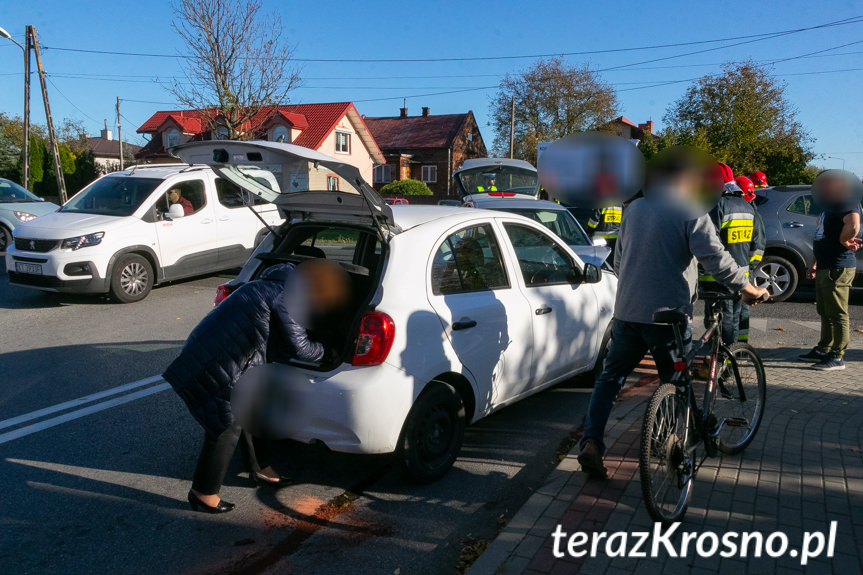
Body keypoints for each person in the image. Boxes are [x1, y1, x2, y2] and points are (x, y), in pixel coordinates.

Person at [577, 148, 769, 479]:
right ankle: (672, 440)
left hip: (627, 312)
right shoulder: (690, 209)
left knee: (609, 380)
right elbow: (715, 257)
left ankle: (591, 443)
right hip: (668, 317)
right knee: (676, 382)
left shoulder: (634, 208)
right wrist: (746, 287)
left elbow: (619, 261)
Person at [164, 259, 351, 513]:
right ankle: (203, 493)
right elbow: (301, 347)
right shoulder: (289, 296)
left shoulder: (272, 282)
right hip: (222, 360)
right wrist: (330, 352)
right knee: (225, 427)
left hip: (214, 349)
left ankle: (261, 469)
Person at [799, 171, 862, 370]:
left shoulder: (846, 203)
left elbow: (853, 224)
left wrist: (844, 240)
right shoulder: (829, 207)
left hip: (838, 266)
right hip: (826, 265)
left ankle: (837, 356)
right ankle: (823, 349)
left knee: (837, 313)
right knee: (825, 310)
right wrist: (814, 263)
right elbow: (821, 236)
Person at [698, 171, 765, 345]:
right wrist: (748, 267)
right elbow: (754, 243)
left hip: (718, 275)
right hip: (741, 273)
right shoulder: (746, 206)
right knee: (733, 317)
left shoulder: (717, 205)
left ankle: (721, 358)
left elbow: (710, 242)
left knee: (718, 319)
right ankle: (731, 355)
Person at [734, 175, 766, 342]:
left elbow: (758, 247)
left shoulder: (753, 215)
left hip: (744, 268)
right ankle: (737, 342)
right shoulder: (749, 212)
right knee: (737, 307)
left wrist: (749, 266)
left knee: (741, 307)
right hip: (740, 267)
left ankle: (740, 343)